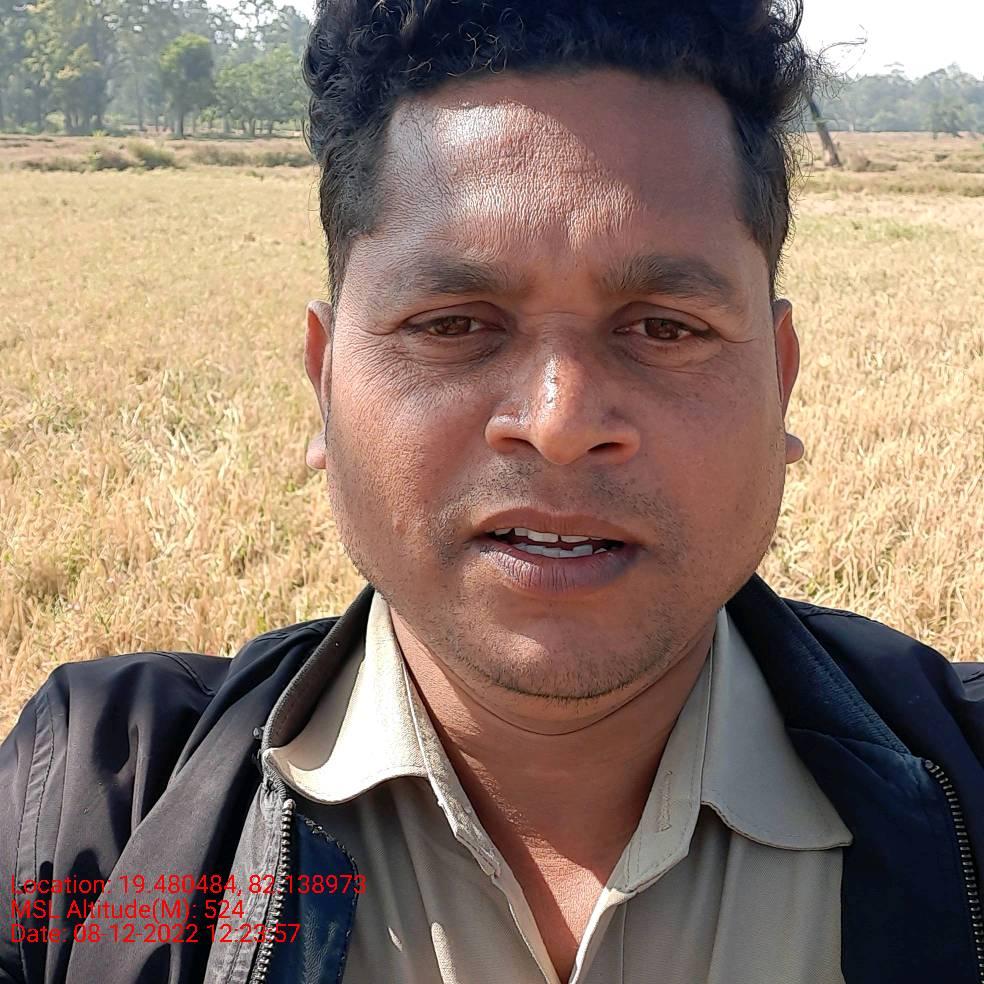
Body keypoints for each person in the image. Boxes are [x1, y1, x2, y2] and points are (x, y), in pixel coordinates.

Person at [2, 1, 982, 982]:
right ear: (325, 380)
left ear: (780, 378)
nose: (558, 421)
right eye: (453, 324)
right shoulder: (94, 802)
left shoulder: (968, 781)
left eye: (664, 327)